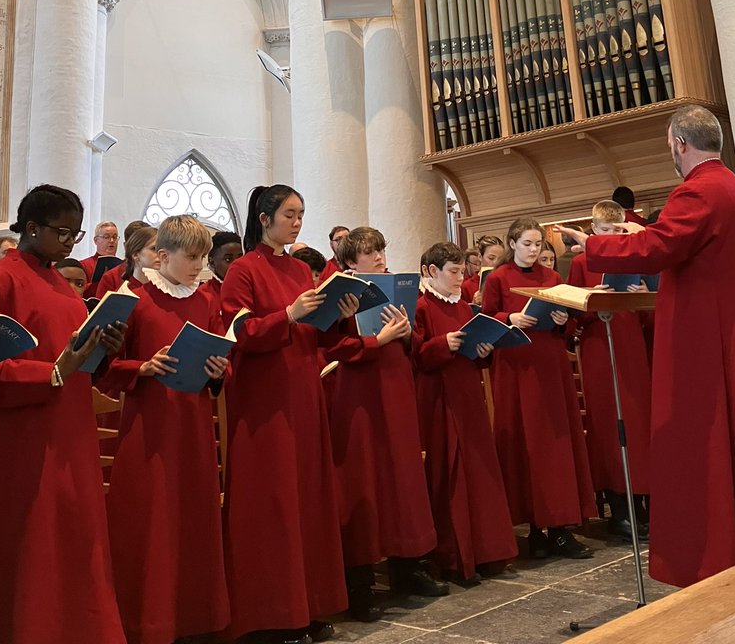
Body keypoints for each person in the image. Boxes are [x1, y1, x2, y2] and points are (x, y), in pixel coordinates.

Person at [561, 105, 735, 588]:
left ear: (680, 143)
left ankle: (713, 551)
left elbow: (656, 250)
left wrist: (590, 245)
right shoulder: (734, 188)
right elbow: (683, 243)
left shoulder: (697, 189)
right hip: (733, 330)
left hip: (708, 336)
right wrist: (645, 231)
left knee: (707, 439)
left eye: (669, 146)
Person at [0, 184, 128, 644]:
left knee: (73, 543)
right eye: (62, 232)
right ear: (31, 228)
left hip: (69, 431)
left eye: (75, 234)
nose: (68, 243)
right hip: (18, 438)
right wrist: (56, 373)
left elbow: (74, 361)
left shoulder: (63, 285)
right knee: (28, 551)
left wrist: (101, 353)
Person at [221, 185, 359, 644]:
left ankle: (311, 602)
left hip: (303, 389)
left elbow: (315, 335)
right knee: (274, 504)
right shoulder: (242, 270)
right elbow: (239, 334)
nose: (298, 222)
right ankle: (276, 613)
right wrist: (289, 313)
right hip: (265, 401)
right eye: (289, 214)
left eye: (302, 214)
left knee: (309, 501)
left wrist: (339, 315)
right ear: (264, 217)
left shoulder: (302, 269)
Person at [100, 214, 231, 644]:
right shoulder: (134, 298)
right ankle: (148, 623)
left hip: (193, 424)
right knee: (150, 521)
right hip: (149, 427)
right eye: (192, 257)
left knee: (194, 518)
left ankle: (196, 619)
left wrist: (218, 369)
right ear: (162, 255)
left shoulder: (206, 298)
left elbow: (217, 354)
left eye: (204, 258)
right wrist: (143, 365)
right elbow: (105, 371)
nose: (199, 266)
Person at [323, 227, 446, 619]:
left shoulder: (399, 286)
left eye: (380, 250)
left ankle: (407, 566)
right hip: (360, 392)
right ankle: (360, 583)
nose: (379, 257)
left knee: (403, 476)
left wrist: (407, 335)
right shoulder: (337, 291)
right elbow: (330, 346)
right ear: (349, 262)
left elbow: (417, 342)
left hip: (396, 386)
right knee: (364, 478)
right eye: (370, 253)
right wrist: (378, 340)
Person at [482, 217, 595, 560]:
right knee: (525, 442)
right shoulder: (498, 278)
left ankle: (560, 528)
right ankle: (534, 529)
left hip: (549, 363)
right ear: (512, 243)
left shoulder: (552, 277)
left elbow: (570, 322)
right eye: (528, 244)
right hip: (516, 366)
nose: (534, 251)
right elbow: (485, 319)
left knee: (556, 444)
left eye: (538, 245)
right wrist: (508, 319)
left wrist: (564, 320)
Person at [412, 241, 517, 585]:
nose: (461, 278)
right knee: (449, 474)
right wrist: (444, 344)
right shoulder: (421, 306)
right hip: (439, 397)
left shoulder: (463, 307)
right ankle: (455, 556)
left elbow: (476, 352)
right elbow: (415, 356)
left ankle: (485, 551)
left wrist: (483, 349)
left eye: (462, 272)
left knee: (478, 472)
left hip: (469, 395)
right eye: (454, 272)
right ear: (431, 272)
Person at [567, 201, 651, 542]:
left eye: (618, 232)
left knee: (639, 425)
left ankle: (643, 504)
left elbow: (649, 316)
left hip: (632, 347)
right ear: (592, 229)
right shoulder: (580, 262)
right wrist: (590, 297)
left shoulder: (633, 258)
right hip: (599, 347)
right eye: (604, 231)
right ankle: (620, 510)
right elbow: (572, 314)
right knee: (608, 425)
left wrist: (646, 296)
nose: (611, 237)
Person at [94, 224, 159, 299]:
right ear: (135, 254)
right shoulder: (118, 288)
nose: (161, 254)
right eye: (154, 248)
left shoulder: (165, 287)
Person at [80, 220, 122, 297]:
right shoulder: (84, 265)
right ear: (96, 240)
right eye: (106, 237)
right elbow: (80, 291)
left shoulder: (122, 266)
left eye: (115, 237)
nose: (112, 240)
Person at [460, 235, 503, 305]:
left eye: (500, 258)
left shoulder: (505, 281)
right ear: (480, 256)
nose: (496, 262)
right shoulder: (466, 287)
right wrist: (474, 304)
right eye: (491, 258)